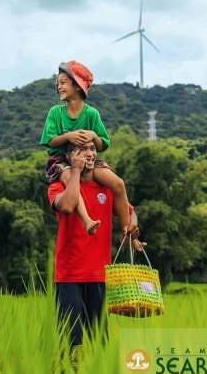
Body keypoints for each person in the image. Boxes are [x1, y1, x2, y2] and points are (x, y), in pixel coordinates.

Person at [48, 140, 143, 356]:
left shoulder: (106, 189)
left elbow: (129, 211)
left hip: (100, 275)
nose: (90, 153)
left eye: (93, 149)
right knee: (69, 341)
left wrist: (131, 226)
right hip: (70, 277)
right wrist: (76, 171)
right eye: (83, 150)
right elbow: (67, 205)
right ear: (70, 156)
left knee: (100, 341)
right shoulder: (57, 186)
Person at [40, 60, 131, 236]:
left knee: (117, 183)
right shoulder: (55, 112)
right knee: (70, 179)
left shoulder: (91, 114)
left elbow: (103, 144)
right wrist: (68, 137)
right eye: (58, 83)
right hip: (61, 160)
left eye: (63, 83)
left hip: (89, 159)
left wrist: (93, 136)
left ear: (77, 86)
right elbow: (49, 141)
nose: (59, 86)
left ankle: (127, 231)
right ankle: (86, 220)